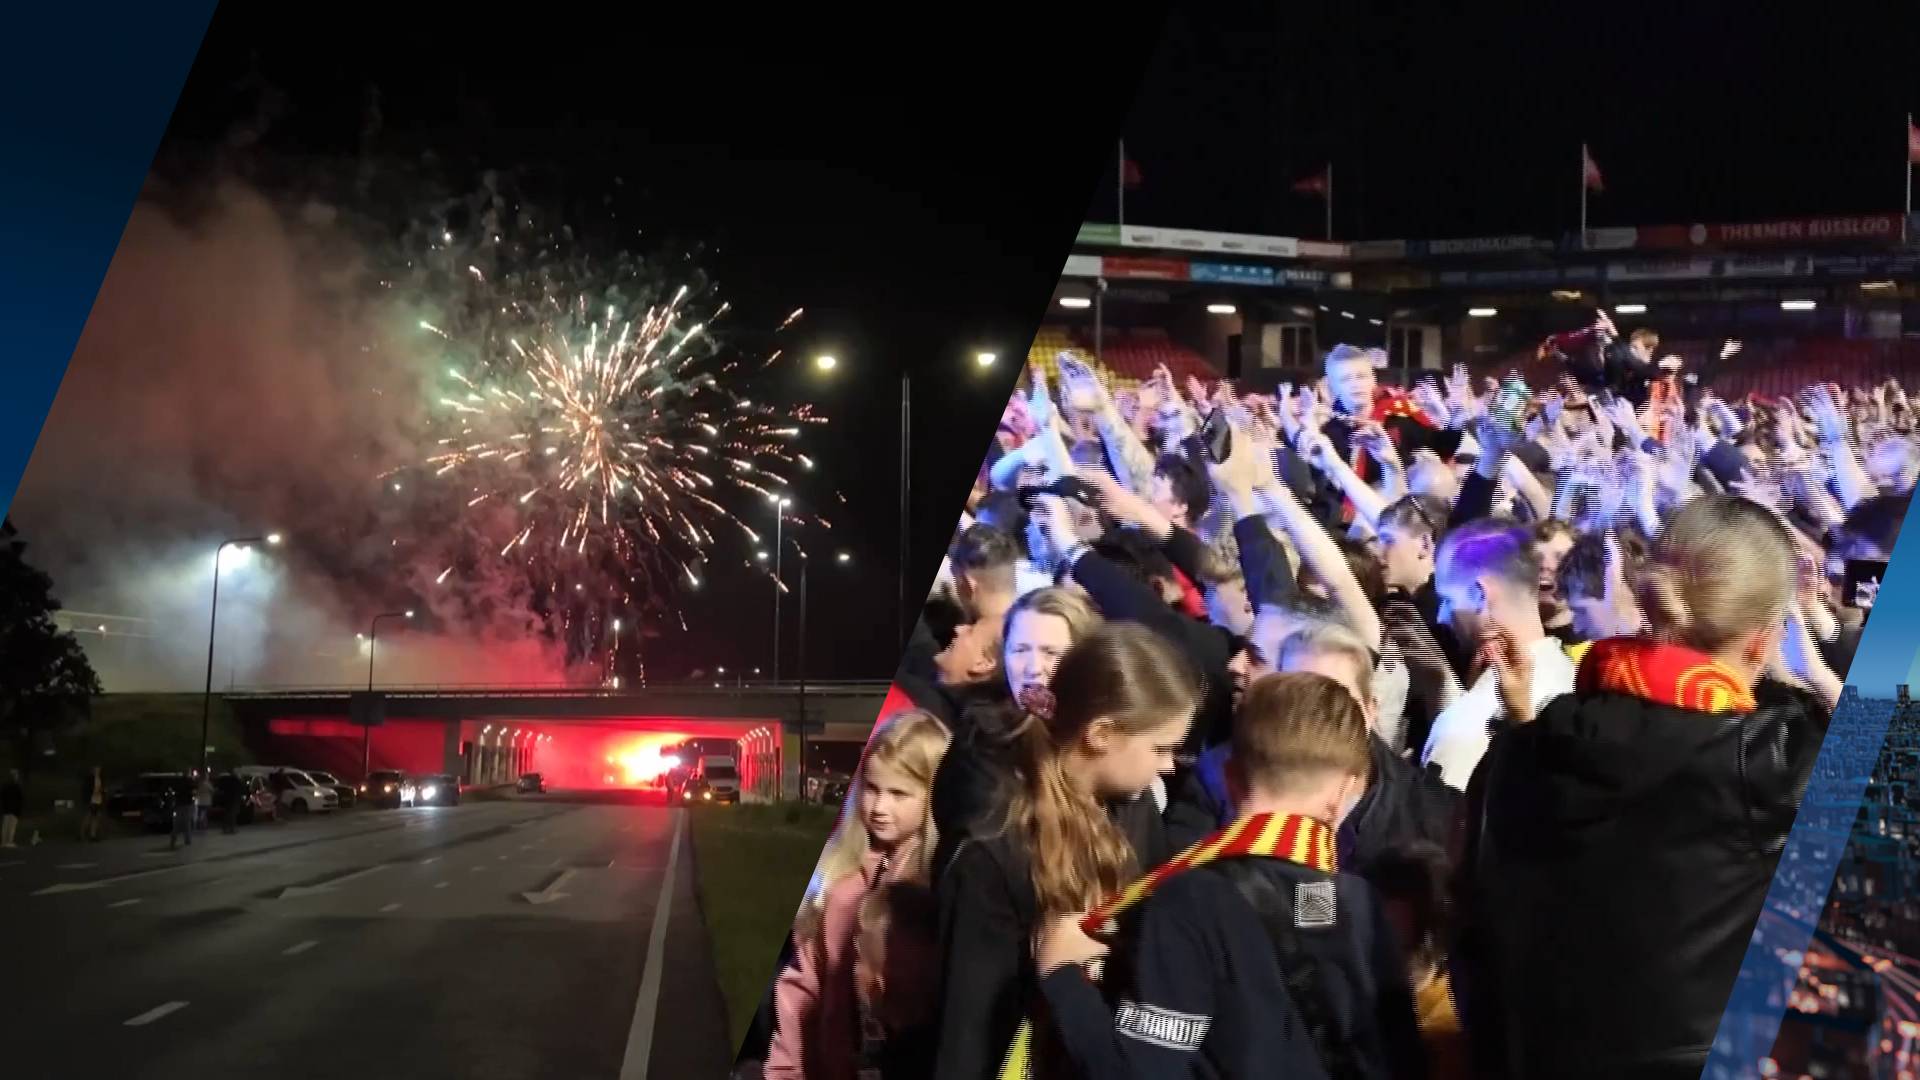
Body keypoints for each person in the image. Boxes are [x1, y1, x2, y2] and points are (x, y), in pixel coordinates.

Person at [1454, 494, 1835, 1080]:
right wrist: (1809, 676)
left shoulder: (1537, 735)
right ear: (1763, 640)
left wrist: (1520, 718)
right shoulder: (1773, 761)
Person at [1030, 672, 1425, 1080]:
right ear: (1347, 791)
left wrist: (1062, 977)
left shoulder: (1188, 902)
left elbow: (1138, 1071)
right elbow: (1405, 1059)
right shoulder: (1360, 905)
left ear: (1230, 779)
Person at [932, 624, 1199, 1080]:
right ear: (1101, 734)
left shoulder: (1133, 808)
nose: (1168, 765)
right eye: (1160, 748)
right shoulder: (992, 851)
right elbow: (967, 1035)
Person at [767, 710, 952, 1080]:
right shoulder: (838, 873)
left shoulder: (939, 881)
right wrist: (785, 1072)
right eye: (872, 788)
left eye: (899, 793)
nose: (879, 808)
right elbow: (803, 988)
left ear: (935, 794)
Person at [1420, 519, 1578, 791]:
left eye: (1448, 599)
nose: (1441, 615)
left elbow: (1440, 826)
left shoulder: (1466, 727)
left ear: (1479, 594)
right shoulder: (1576, 677)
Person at [81, 766, 106, 842]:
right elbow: (86, 790)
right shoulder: (90, 779)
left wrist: (103, 791)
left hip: (99, 800)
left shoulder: (101, 779)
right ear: (92, 770)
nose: (97, 771)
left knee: (96, 818)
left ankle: (93, 835)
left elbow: (101, 789)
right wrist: (87, 800)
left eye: (98, 769)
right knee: (88, 817)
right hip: (91, 800)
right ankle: (81, 834)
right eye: (96, 769)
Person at [1, 768, 24, 848]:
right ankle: (8, 842)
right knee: (10, 826)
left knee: (6, 826)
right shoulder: (17, 786)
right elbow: (20, 798)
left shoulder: (6, 785)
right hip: (13, 809)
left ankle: (4, 842)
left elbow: (3, 796)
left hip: (7, 809)